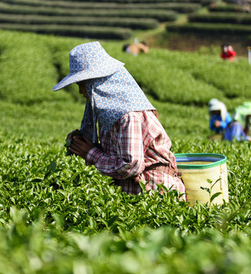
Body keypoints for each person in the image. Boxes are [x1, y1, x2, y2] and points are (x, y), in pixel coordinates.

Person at [53, 42, 185, 196]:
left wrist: (91, 153)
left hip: (156, 192)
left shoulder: (128, 115)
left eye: (82, 84)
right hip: (135, 191)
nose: (81, 91)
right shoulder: (110, 116)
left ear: (96, 84)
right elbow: (115, 156)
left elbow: (130, 166)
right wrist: (83, 145)